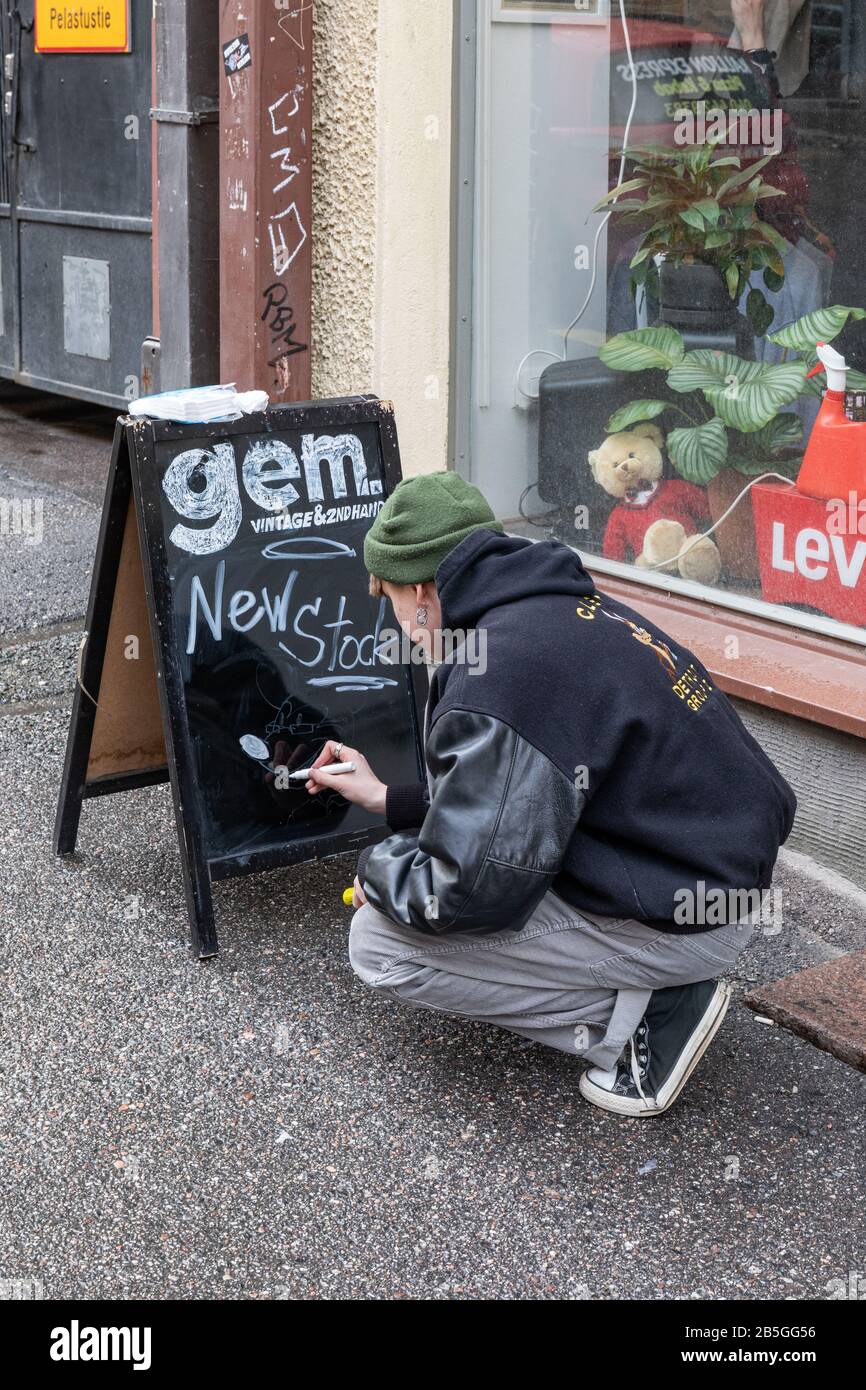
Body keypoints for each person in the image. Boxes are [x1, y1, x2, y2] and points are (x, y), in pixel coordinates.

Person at [301, 472, 796, 1117]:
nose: (396, 623)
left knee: (379, 942)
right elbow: (525, 798)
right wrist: (389, 800)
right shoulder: (555, 608)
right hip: (714, 873)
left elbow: (467, 890)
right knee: (416, 865)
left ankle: (655, 1016)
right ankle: (653, 982)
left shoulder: (500, 672)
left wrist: (379, 872)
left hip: (692, 917)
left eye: (391, 600)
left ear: (422, 591)